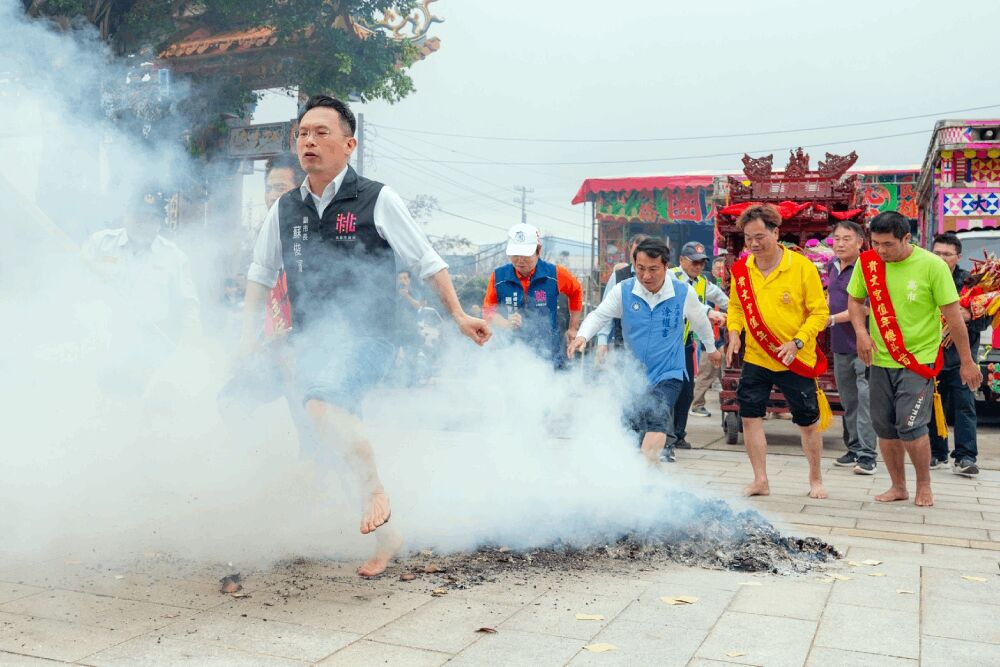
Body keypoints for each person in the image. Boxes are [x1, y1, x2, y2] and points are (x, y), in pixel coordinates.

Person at [239, 95, 490, 577]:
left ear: (349, 144)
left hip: (372, 337)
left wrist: (458, 315)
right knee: (322, 433)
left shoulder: (378, 198)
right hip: (311, 343)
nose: (308, 141)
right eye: (303, 133)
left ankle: (376, 491)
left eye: (321, 133)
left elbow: (426, 261)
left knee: (322, 404)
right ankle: (384, 534)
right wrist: (248, 337)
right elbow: (260, 273)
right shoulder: (286, 208)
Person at [847, 211, 981, 507]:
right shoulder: (868, 263)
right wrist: (860, 332)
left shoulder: (932, 266)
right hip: (880, 359)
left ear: (907, 238)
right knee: (884, 426)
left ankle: (924, 485)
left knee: (910, 426)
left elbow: (954, 318)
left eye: (888, 245)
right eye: (876, 244)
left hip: (916, 361)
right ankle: (898, 486)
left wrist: (967, 361)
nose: (881, 251)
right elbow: (855, 301)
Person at [568, 238, 720, 464]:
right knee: (632, 430)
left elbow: (700, 321)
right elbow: (599, 315)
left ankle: (645, 477)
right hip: (632, 373)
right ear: (634, 264)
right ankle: (647, 474)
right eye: (640, 269)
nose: (646, 276)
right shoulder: (624, 290)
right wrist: (583, 335)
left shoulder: (681, 292)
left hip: (668, 371)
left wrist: (711, 349)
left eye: (653, 269)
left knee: (658, 418)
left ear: (666, 266)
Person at [725, 204, 831, 499]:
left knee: (807, 422)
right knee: (749, 417)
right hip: (756, 357)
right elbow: (735, 307)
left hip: (795, 358)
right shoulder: (742, 270)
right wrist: (734, 332)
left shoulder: (801, 267)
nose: (754, 244)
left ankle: (815, 479)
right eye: (748, 238)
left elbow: (819, 313)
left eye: (760, 236)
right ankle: (761, 480)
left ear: (776, 232)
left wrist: (797, 341)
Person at [82, 188, 201, 344]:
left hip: (149, 342)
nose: (143, 223)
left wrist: (189, 343)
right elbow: (77, 281)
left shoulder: (174, 257)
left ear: (159, 223)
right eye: (139, 216)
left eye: (151, 218)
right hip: (100, 334)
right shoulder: (100, 243)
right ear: (127, 215)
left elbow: (188, 306)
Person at [482, 223, 583, 367]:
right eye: (515, 255)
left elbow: (576, 291)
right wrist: (505, 323)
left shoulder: (555, 274)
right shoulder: (498, 277)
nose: (520, 260)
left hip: (549, 353)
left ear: (538, 250)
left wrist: (573, 327)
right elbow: (488, 311)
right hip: (510, 353)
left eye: (525, 255)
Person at [928, 233, 986, 476]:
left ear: (958, 257)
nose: (941, 258)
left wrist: (969, 316)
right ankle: (937, 453)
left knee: (965, 406)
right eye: (937, 253)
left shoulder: (970, 283)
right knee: (930, 406)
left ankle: (965, 456)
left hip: (962, 358)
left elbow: (985, 320)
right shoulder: (925, 277)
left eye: (947, 254)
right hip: (931, 354)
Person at [827, 220, 878, 475]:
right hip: (839, 344)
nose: (840, 243)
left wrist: (833, 319)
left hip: (864, 344)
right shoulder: (832, 266)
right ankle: (854, 447)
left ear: (860, 242)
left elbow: (867, 307)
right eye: (837, 238)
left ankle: (868, 455)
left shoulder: (868, 267)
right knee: (848, 400)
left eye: (846, 239)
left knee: (866, 400)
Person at [669, 242, 728, 438]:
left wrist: (739, 309)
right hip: (666, 344)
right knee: (670, 390)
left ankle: (678, 434)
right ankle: (666, 435)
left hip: (685, 344)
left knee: (686, 392)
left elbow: (721, 298)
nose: (698, 266)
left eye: (702, 263)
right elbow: (688, 303)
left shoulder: (702, 282)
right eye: (694, 262)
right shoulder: (671, 277)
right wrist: (709, 311)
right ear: (681, 260)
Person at [595, 234, 650, 364]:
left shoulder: (660, 276)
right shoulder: (618, 276)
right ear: (630, 252)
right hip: (623, 346)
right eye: (636, 252)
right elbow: (606, 311)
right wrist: (602, 342)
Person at [690, 257, 730, 416]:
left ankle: (728, 402)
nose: (720, 271)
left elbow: (727, 302)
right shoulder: (702, 283)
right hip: (709, 334)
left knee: (726, 371)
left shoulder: (728, 286)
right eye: (718, 268)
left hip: (725, 334)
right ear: (713, 270)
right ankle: (697, 404)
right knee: (707, 371)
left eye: (723, 268)